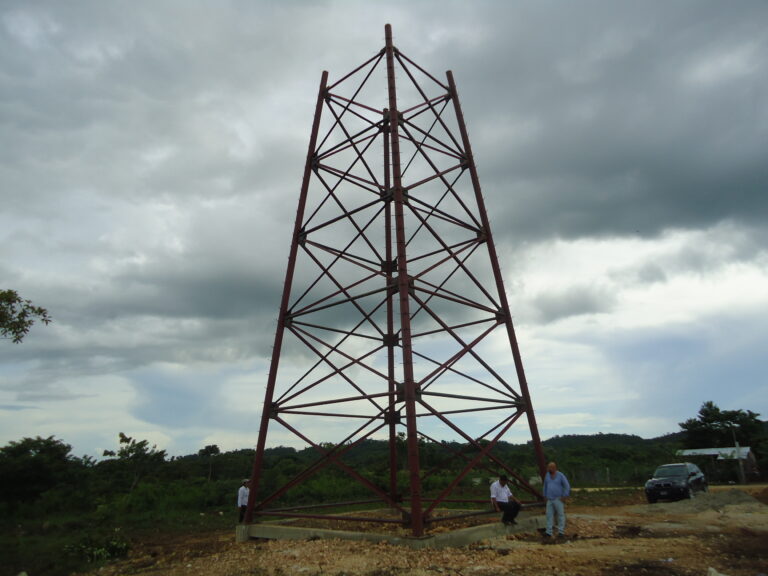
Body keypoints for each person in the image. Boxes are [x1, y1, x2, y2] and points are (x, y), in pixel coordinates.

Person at [543, 461, 570, 540]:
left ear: (554, 468)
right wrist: (544, 495)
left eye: (550, 467)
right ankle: (548, 532)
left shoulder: (560, 475)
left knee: (560, 515)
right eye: (548, 467)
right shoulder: (547, 475)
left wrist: (565, 495)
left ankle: (561, 532)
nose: (549, 469)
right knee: (549, 515)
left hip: (558, 499)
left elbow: (567, 485)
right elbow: (545, 485)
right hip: (549, 499)